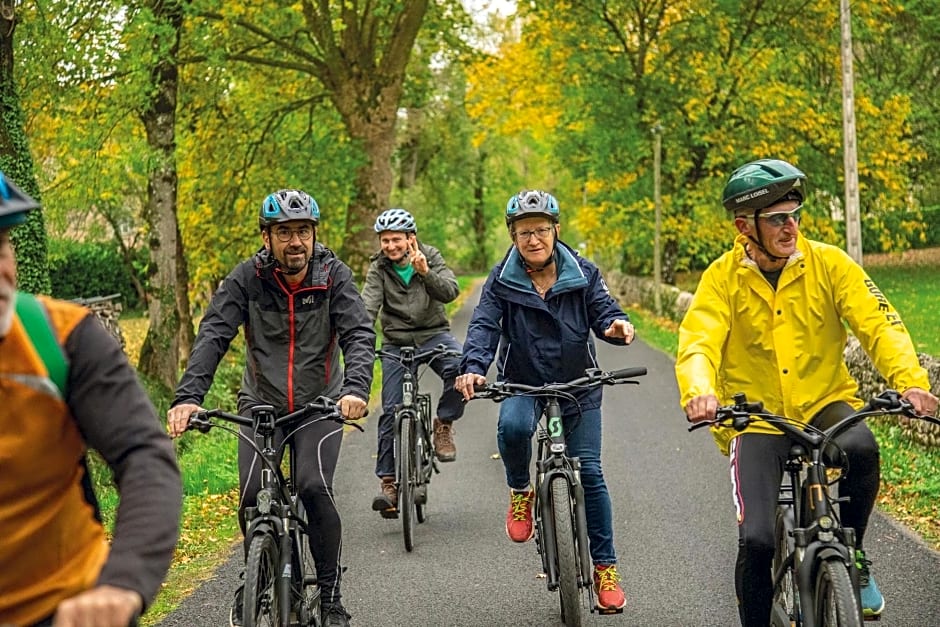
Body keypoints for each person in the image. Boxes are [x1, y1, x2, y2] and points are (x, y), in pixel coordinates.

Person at [675, 158, 939, 626]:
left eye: (795, 215)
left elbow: (880, 324)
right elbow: (699, 342)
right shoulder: (721, 279)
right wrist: (701, 392)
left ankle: (852, 555)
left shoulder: (830, 264)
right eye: (777, 218)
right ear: (744, 226)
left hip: (823, 403)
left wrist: (912, 382)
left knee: (862, 448)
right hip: (755, 417)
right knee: (756, 540)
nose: (790, 227)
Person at [166, 189, 375, 627]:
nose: (295, 241)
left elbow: (358, 334)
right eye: (284, 233)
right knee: (249, 496)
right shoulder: (247, 279)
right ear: (266, 238)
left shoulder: (334, 276)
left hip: (321, 404)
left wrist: (354, 389)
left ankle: (331, 594)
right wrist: (188, 397)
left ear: (315, 235)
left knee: (313, 487)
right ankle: (264, 572)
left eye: (303, 231)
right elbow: (213, 337)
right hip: (261, 404)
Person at [0, 172, 182, 627]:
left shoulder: (61, 338)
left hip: (62, 606)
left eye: (1, 246)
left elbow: (143, 455)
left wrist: (122, 583)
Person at [455, 189, 637, 613]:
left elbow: (604, 309)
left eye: (540, 230)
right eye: (523, 232)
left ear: (556, 230)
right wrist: (474, 366)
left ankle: (605, 568)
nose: (533, 239)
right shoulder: (501, 280)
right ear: (513, 237)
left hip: (578, 384)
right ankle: (521, 489)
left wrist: (616, 326)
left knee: (590, 472)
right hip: (524, 381)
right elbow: (483, 325)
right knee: (514, 427)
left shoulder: (583, 272)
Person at [361, 208, 465, 517]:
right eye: (385, 240)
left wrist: (425, 272)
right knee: (390, 410)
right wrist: (359, 341)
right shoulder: (378, 268)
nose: (390, 246)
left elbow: (450, 292)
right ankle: (389, 482)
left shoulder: (430, 256)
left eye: (396, 240)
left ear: (411, 239)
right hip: (396, 342)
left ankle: (443, 424)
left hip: (434, 335)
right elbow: (367, 307)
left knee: (460, 368)